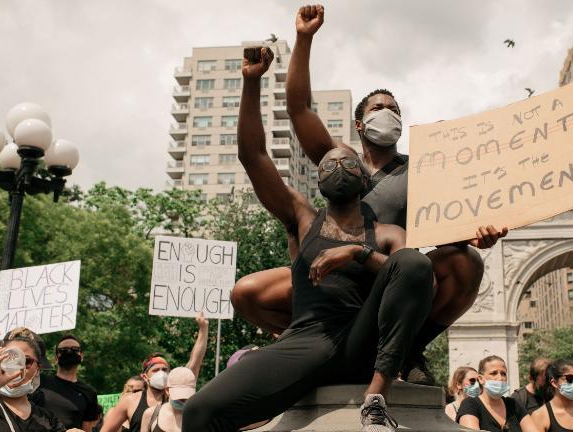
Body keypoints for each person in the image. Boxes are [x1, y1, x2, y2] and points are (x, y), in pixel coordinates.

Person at [229, 3, 508, 386]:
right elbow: (297, 110)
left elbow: (448, 227)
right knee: (247, 292)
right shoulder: (339, 163)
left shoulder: (423, 171)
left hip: (385, 278)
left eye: (394, 109)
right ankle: (307, 339)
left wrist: (476, 233)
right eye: (378, 108)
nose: (388, 113)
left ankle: (406, 348)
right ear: (359, 126)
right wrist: (304, 37)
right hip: (325, 282)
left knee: (465, 262)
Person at [181, 45, 434, 432]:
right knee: (200, 410)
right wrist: (251, 84)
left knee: (414, 261)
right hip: (306, 342)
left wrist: (356, 253)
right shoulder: (302, 217)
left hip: (362, 341)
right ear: (318, 178)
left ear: (364, 178)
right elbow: (254, 155)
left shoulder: (387, 234)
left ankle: (375, 399)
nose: (337, 161)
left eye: (347, 160)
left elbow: (418, 278)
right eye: (329, 161)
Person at [101, 313, 208, 432]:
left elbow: (195, 362)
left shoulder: (177, 396)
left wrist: (203, 329)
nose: (161, 373)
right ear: (145, 377)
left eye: (165, 369)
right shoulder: (130, 401)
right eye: (156, 370)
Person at [0, 327, 82, 432]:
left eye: (27, 361)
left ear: (38, 368)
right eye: (9, 358)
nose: (18, 366)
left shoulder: (47, 419)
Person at [30, 335, 99, 432]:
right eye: (63, 350)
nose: (69, 352)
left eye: (74, 349)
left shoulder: (89, 393)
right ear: (56, 358)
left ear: (81, 356)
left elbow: (86, 429)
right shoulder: (39, 381)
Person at [457, 355, 540, 431]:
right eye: (493, 373)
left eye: (503, 374)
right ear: (481, 379)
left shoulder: (514, 404)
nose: (500, 378)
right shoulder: (470, 405)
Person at [140, 367, 195, 432]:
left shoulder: (199, 416)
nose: (184, 400)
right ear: (167, 390)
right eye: (179, 396)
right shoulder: (151, 414)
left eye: (187, 395)